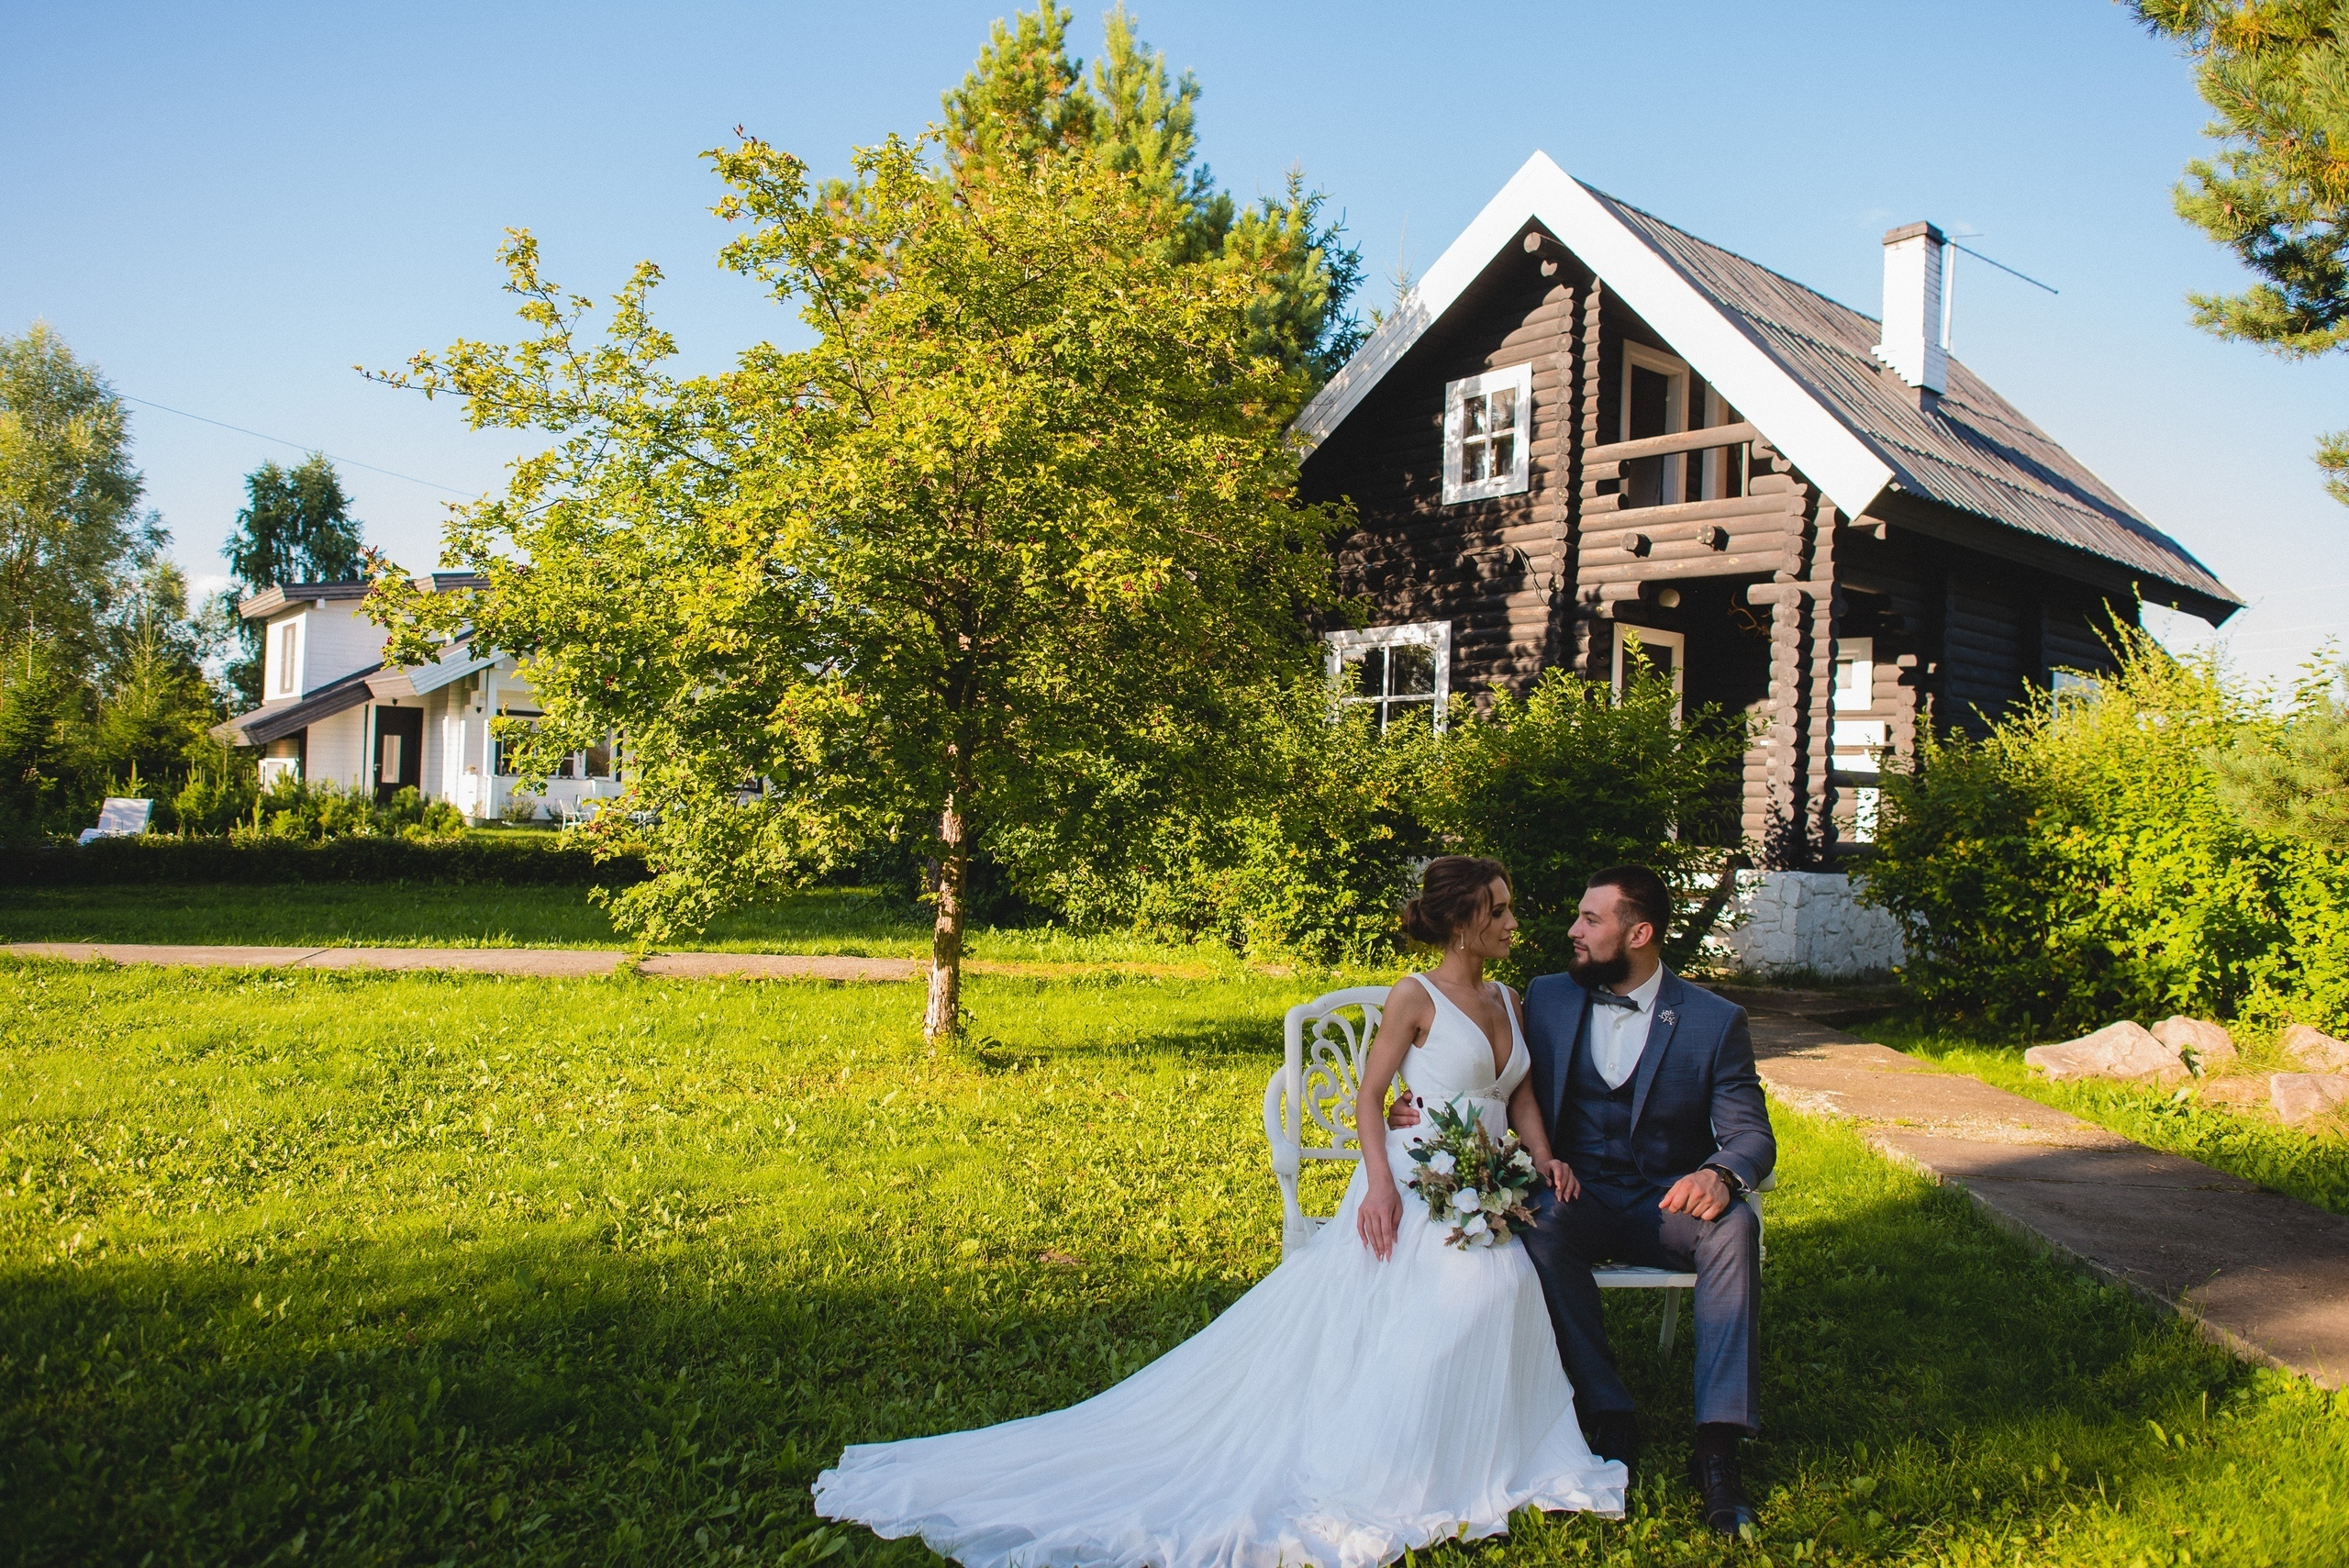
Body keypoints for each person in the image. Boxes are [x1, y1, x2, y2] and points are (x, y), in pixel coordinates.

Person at [813, 856, 1625, 1568]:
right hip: (1417, 1180)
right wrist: (1378, 1185)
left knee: (1505, 1288)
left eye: (1511, 907)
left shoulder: (1512, 1000)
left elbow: (1515, 1091)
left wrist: (1544, 1155)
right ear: (1460, 924)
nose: (1516, 921)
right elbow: (1371, 1096)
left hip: (1488, 1180)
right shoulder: (1413, 996)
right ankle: (1398, 1463)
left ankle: (1485, 1453)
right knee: (1468, 1295)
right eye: (1500, 910)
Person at [1390, 864, 1774, 1536]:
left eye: (1591, 920)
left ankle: (1717, 1448)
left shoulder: (1716, 1021)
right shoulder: (1544, 997)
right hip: (1575, 1195)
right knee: (1540, 1227)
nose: (1572, 929)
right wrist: (1415, 1106)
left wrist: (1723, 1175)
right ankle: (1607, 1410)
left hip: (1666, 1203)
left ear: (1641, 932)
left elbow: (1751, 1134)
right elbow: (1481, 1065)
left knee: (1734, 1227)